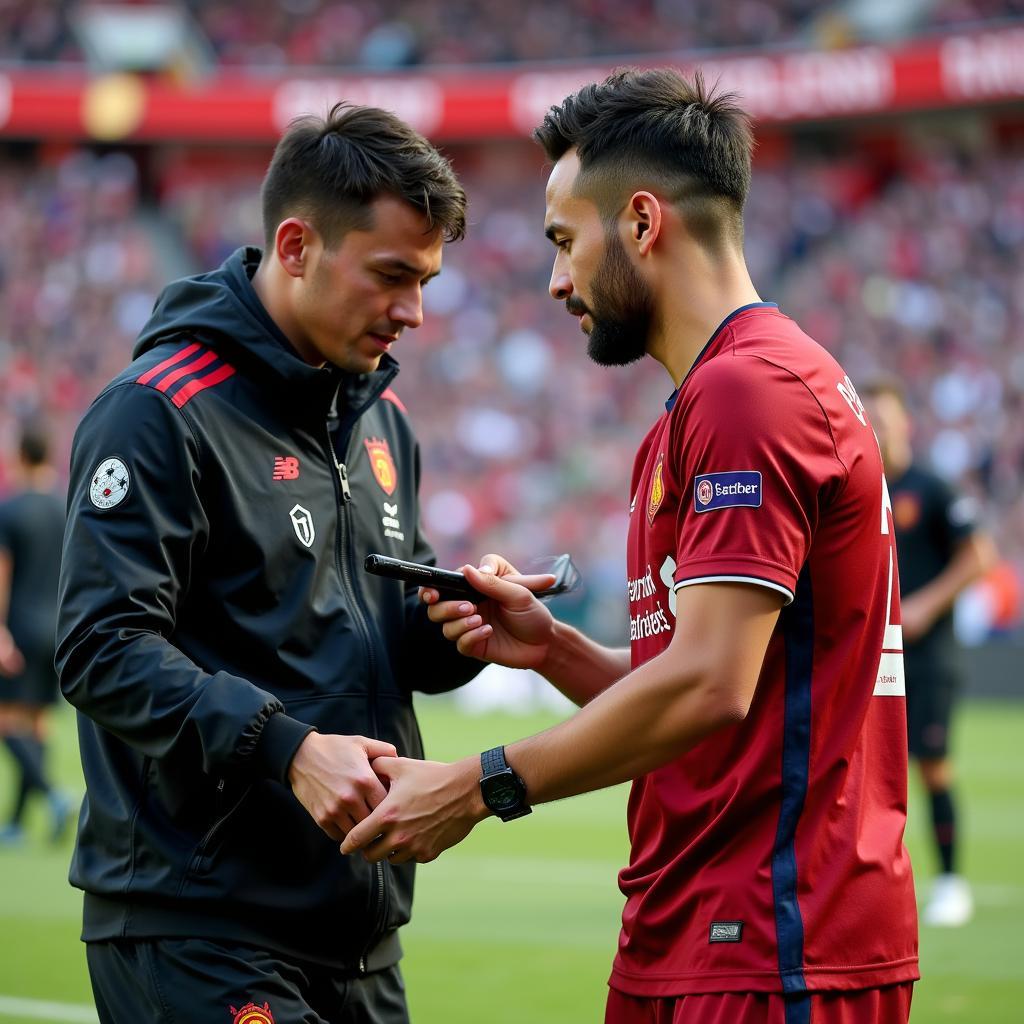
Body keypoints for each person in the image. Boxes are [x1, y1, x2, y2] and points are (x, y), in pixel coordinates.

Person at [342, 70, 920, 1023]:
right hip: (695, 928)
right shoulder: (701, 407)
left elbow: (707, 686)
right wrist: (553, 647)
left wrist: (475, 786)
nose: (559, 279)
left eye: (565, 242)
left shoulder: (752, 394)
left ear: (643, 222)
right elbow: (706, 703)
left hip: (773, 938)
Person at [56, 103, 481, 1024]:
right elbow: (100, 647)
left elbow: (368, 633)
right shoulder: (158, 411)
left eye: (426, 282)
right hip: (200, 930)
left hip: (360, 931)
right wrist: (286, 750)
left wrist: (464, 627)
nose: (413, 311)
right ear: (296, 245)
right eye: (392, 276)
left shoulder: (381, 421)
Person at [863, 376, 996, 928]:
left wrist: (923, 605)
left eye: (884, 419)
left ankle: (949, 883)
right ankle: (871, 886)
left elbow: (980, 557)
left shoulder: (934, 488)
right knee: (866, 774)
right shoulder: (856, 484)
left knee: (933, 766)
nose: (876, 428)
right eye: (868, 419)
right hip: (874, 656)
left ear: (905, 425)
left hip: (931, 657)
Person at [0, 423, 72, 845]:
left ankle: (53, 795)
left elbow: (2, 575)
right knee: (38, 725)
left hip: (22, 630)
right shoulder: (68, 506)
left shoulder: (10, 510)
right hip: (58, 629)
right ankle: (16, 823)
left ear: (21, 456)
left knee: (8, 723)